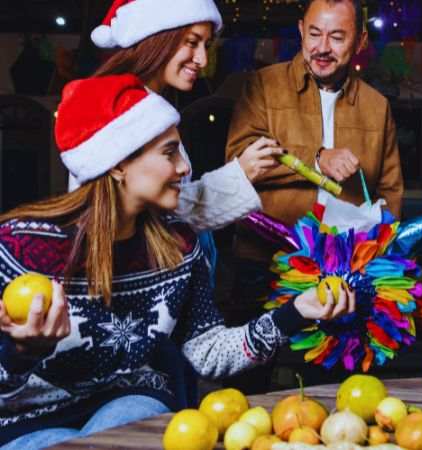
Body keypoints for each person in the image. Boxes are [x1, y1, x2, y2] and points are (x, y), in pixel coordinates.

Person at [0, 75, 354, 449]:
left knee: (134, 411)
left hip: (128, 403)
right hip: (30, 421)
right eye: (170, 153)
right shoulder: (21, 246)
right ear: (119, 164)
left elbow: (208, 351)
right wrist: (22, 352)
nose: (185, 168)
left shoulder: (178, 242)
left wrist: (297, 311)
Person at [224, 0, 403, 336]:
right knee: (249, 375)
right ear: (300, 31)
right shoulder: (262, 85)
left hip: (345, 272)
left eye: (336, 37)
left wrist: (377, 254)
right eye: (314, 34)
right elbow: (237, 158)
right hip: (264, 260)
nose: (322, 48)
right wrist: (317, 158)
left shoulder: (377, 107)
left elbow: (390, 191)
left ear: (361, 40)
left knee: (332, 378)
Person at [82, 0, 284, 232]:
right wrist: (239, 175)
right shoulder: (119, 111)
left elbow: (163, 208)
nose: (203, 60)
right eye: (191, 42)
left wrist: (243, 172)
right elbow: (145, 219)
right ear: (157, 36)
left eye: (206, 46)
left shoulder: (149, 104)